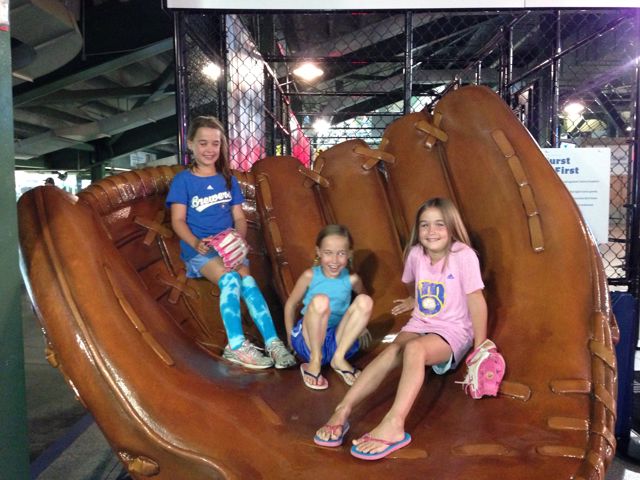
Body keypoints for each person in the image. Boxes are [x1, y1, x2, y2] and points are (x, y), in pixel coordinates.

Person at [314, 197, 487, 459]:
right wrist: (413, 299)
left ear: (452, 227)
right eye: (425, 225)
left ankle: (394, 424)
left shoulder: (463, 256)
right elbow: (412, 282)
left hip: (453, 329)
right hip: (422, 321)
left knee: (414, 349)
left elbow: (476, 300)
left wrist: (480, 348)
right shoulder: (416, 254)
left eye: (440, 224)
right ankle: (342, 409)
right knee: (393, 351)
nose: (431, 231)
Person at [166, 116, 295, 370]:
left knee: (248, 282)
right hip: (201, 251)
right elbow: (177, 220)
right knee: (231, 279)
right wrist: (195, 242)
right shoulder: (183, 181)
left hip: (229, 248)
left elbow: (239, 218)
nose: (209, 149)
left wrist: (239, 238)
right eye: (203, 143)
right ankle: (235, 346)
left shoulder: (227, 179)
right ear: (190, 144)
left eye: (215, 143)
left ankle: (273, 342)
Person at [285, 224, 372, 391]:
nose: (334, 260)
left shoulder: (353, 279)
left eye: (341, 253)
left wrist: (361, 327)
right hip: (309, 341)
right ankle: (315, 361)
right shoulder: (310, 276)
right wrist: (290, 336)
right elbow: (290, 304)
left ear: (349, 254)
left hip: (337, 342)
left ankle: (338, 359)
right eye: (328, 253)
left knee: (365, 301)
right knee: (321, 300)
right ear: (318, 252)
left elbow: (361, 304)